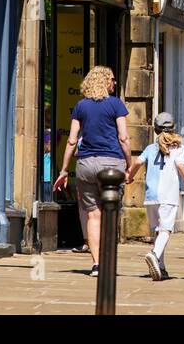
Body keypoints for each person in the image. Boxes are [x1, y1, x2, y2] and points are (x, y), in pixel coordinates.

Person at [53, 65, 131, 276]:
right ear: (105, 81)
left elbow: (71, 141)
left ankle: (96, 264)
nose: (115, 83)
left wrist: (63, 170)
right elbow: (123, 138)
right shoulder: (116, 104)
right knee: (110, 214)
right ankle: (108, 261)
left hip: (86, 164)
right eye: (113, 79)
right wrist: (130, 163)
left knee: (93, 216)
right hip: (112, 165)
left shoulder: (80, 106)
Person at [130, 112, 184, 281]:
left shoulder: (151, 148)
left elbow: (137, 163)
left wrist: (129, 177)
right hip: (168, 195)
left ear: (156, 130)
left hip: (150, 196)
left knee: (158, 231)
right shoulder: (177, 148)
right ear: (173, 129)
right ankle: (154, 254)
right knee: (166, 230)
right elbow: (181, 167)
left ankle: (161, 267)